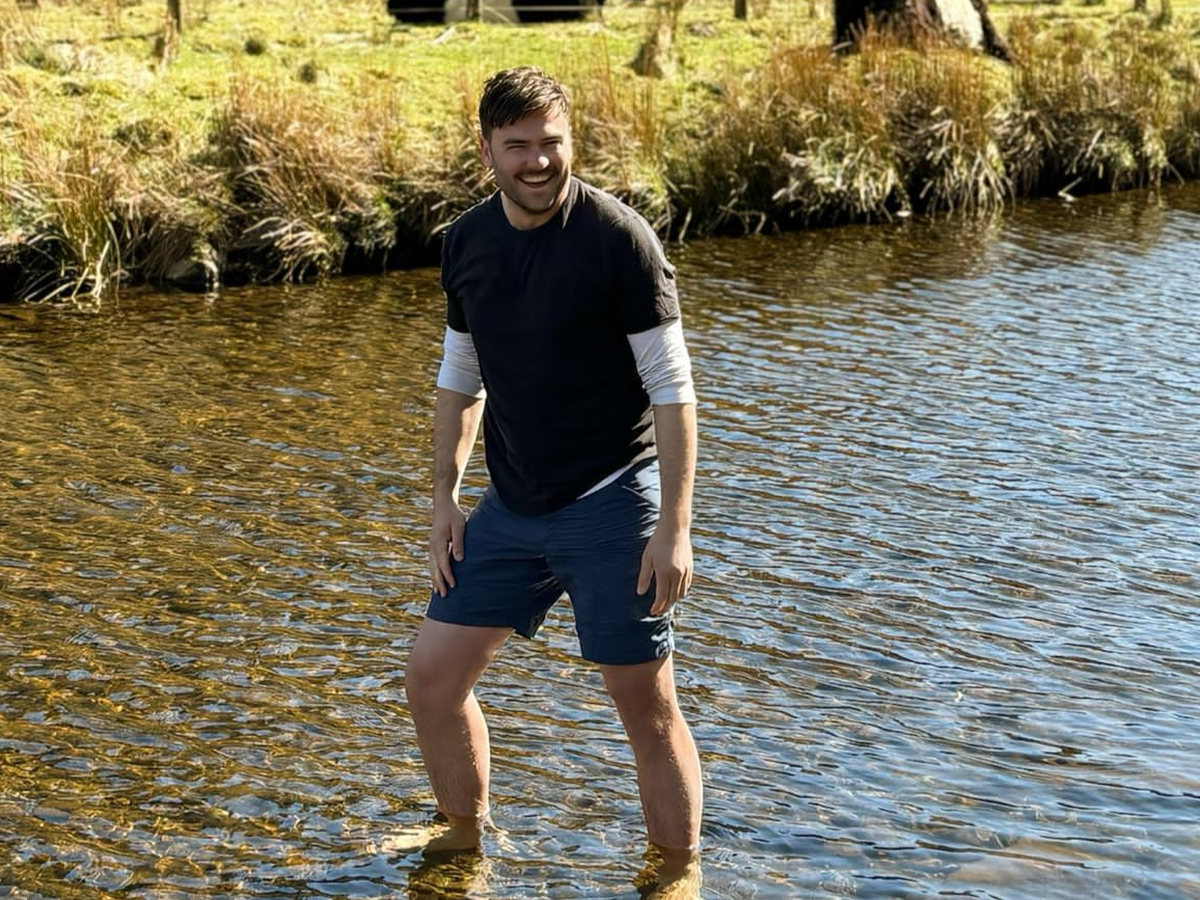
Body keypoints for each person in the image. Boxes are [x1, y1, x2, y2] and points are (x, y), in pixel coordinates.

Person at [403, 66, 702, 878]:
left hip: (613, 505)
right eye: (518, 146)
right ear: (486, 150)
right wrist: (444, 498)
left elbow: (673, 392)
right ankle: (463, 842)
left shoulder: (619, 242)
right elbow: (461, 375)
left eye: (552, 143)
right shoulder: (466, 243)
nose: (538, 161)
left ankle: (677, 875)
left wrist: (674, 528)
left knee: (645, 708)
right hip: (511, 507)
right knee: (432, 680)